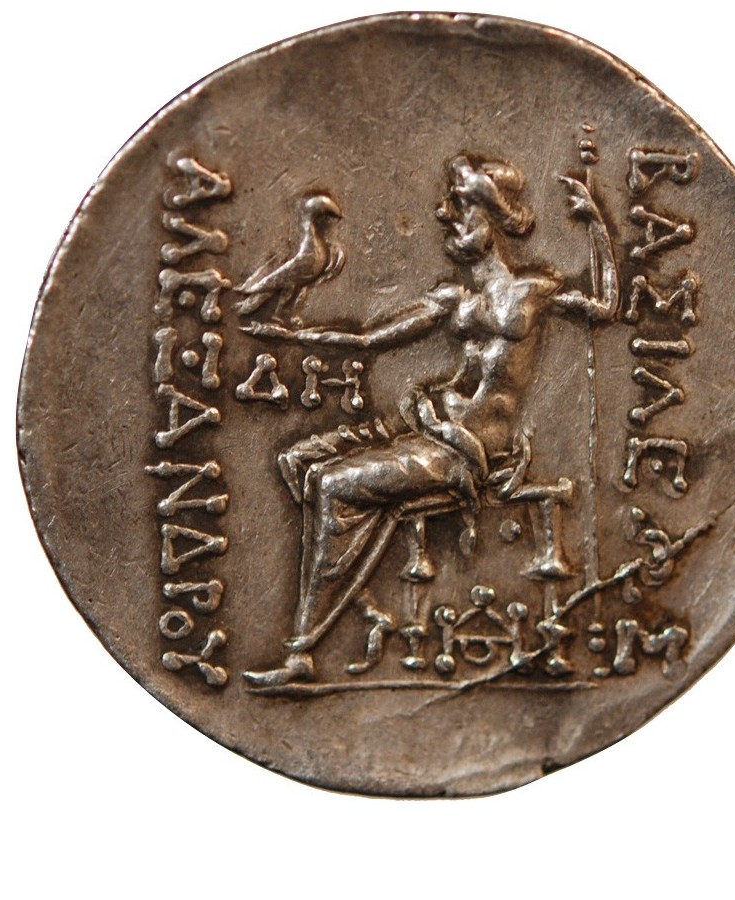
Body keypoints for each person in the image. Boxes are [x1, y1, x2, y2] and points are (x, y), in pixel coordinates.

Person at [242, 152, 619, 685]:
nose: (446, 216)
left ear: (492, 214)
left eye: (461, 207)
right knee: (298, 459)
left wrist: (597, 223)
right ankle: (357, 600)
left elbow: (604, 306)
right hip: (429, 426)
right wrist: (292, 332)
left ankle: (302, 653)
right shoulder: (453, 298)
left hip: (468, 447)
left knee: (331, 484)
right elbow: (368, 339)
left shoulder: (533, 290)